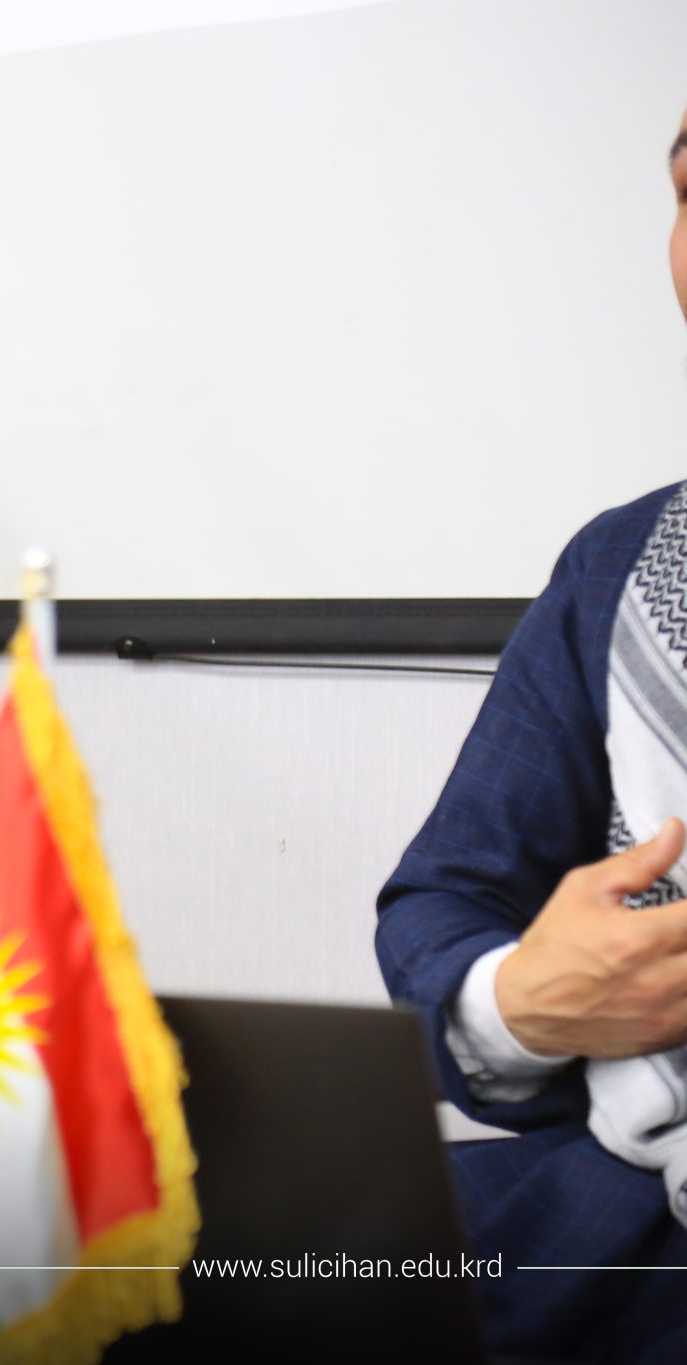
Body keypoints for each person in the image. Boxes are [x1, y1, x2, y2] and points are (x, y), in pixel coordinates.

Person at [377, 108, 687, 1364]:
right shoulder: (620, 565)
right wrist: (520, 1006)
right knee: (186, 1261)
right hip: (614, 1205)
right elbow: (443, 899)